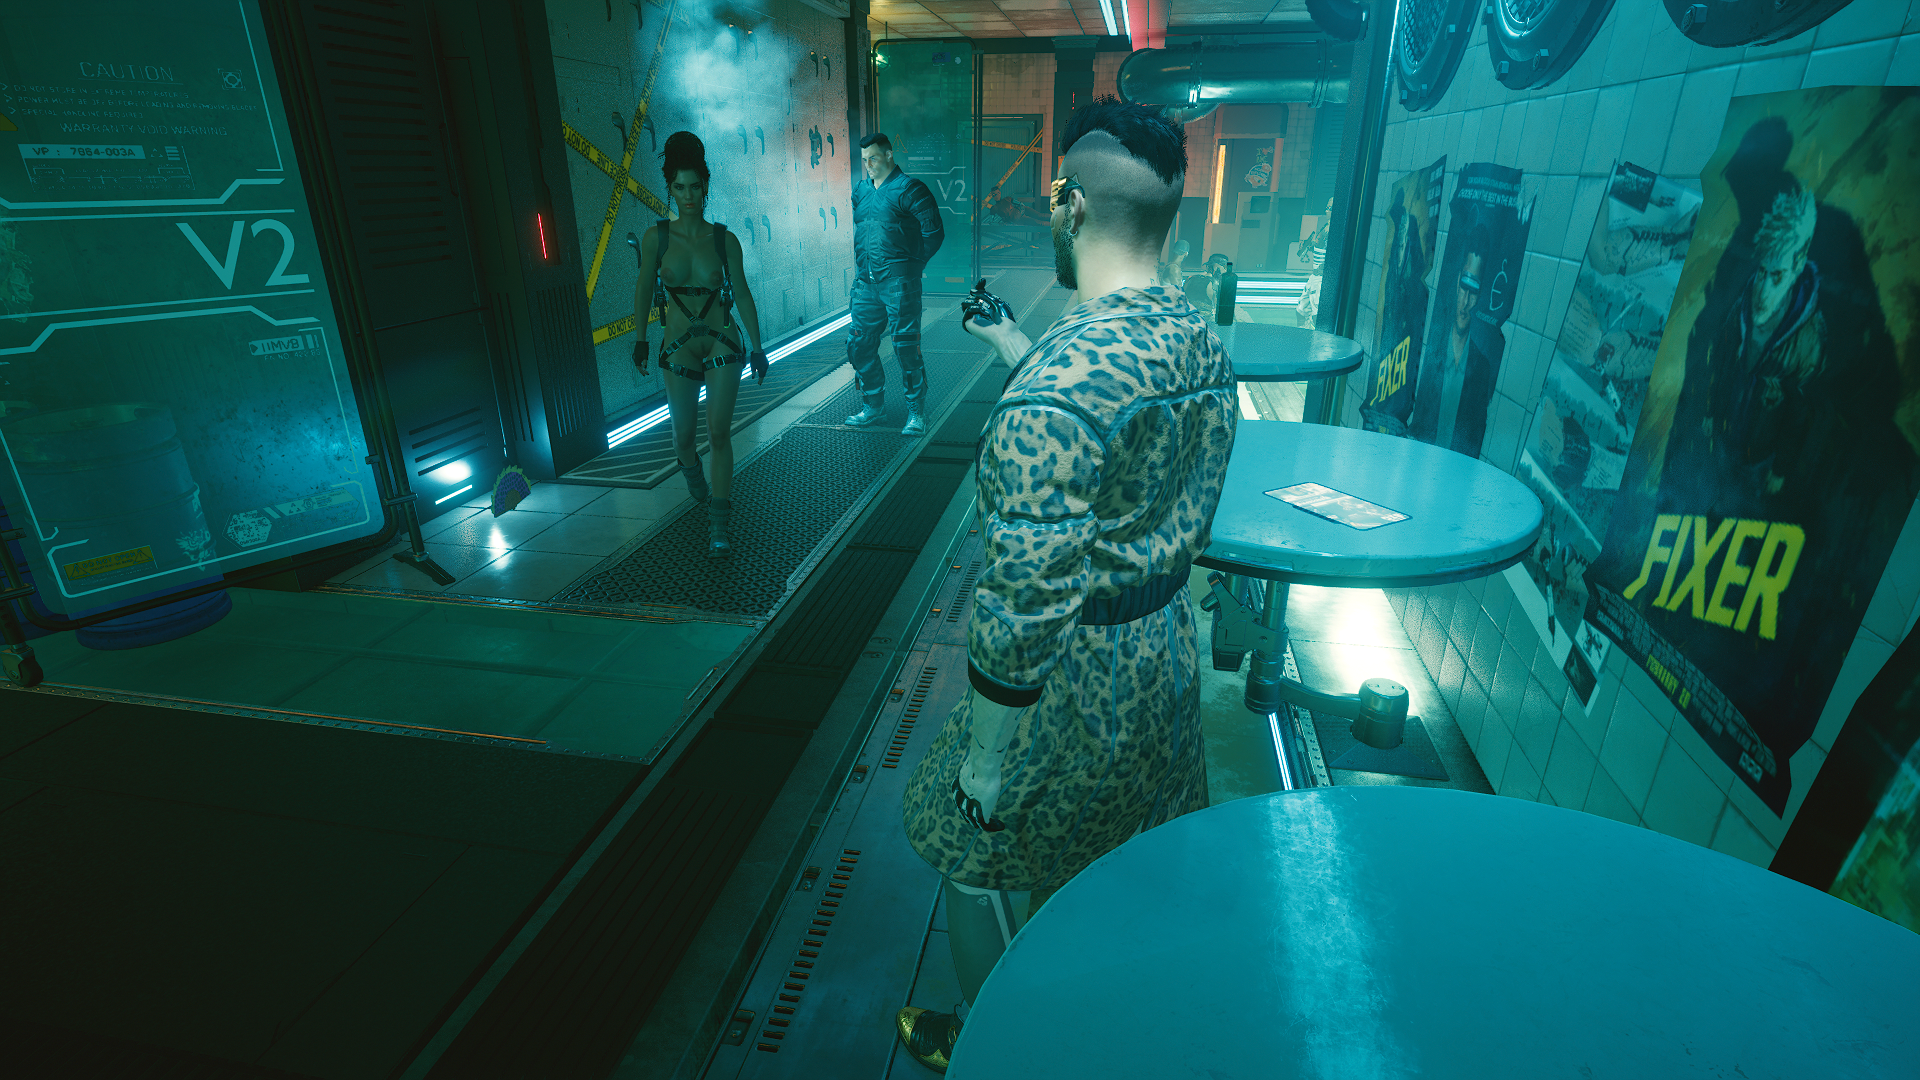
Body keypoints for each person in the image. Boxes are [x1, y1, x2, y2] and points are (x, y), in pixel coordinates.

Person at [894, 96, 1237, 1071]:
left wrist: (984, 765)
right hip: (1162, 656)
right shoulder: (1196, 340)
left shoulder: (1051, 396)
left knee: (972, 855)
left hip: (1075, 679)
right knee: (1116, 863)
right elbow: (1117, 430)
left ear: (1069, 204)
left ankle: (1000, 1052)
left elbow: (1024, 611)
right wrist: (1013, 345)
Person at [631, 132, 765, 557]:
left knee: (719, 433)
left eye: (695, 186)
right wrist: (640, 340)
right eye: (679, 187)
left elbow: (742, 293)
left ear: (706, 186)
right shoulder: (656, 238)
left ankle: (719, 525)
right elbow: (643, 289)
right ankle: (693, 476)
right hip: (678, 347)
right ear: (670, 189)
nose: (688, 196)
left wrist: (758, 346)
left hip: (722, 340)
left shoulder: (725, 240)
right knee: (683, 437)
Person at [848, 132, 946, 435]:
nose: (868, 165)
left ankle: (916, 412)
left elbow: (934, 233)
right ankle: (873, 407)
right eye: (864, 160)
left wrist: (910, 268)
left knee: (905, 347)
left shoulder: (911, 189)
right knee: (859, 345)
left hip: (899, 283)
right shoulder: (860, 191)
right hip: (866, 283)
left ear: (889, 154)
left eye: (873, 158)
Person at [1407, 224, 1501, 455]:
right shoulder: (1431, 352)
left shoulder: (1481, 370)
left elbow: (1474, 444)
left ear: (1481, 293)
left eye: (1474, 290)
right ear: (1457, 281)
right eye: (1464, 286)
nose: (1466, 301)